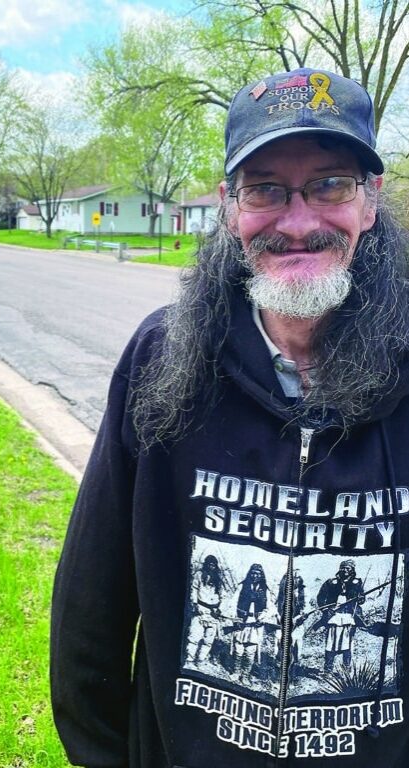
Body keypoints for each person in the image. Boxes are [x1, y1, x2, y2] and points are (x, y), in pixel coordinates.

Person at [51, 67, 409, 767]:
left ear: (368, 203)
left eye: (329, 184)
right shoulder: (161, 358)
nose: (297, 220)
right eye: (265, 188)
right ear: (228, 206)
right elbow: (92, 600)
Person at [314, 559, 366, 672]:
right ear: (339, 569)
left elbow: (361, 598)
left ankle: (346, 671)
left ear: (352, 570)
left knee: (347, 645)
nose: (345, 570)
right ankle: (328, 671)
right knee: (330, 644)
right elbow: (320, 598)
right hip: (333, 617)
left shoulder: (357, 583)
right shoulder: (331, 582)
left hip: (349, 617)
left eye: (348, 568)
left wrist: (360, 599)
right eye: (343, 568)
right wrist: (327, 609)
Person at [185, 554, 225, 665]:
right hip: (200, 609)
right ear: (206, 564)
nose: (211, 567)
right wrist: (195, 604)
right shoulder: (199, 575)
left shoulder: (218, 579)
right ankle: (189, 659)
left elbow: (223, 596)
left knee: (208, 640)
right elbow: (194, 589)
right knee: (194, 636)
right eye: (209, 564)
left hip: (213, 613)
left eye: (213, 565)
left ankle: (200, 659)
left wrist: (220, 609)